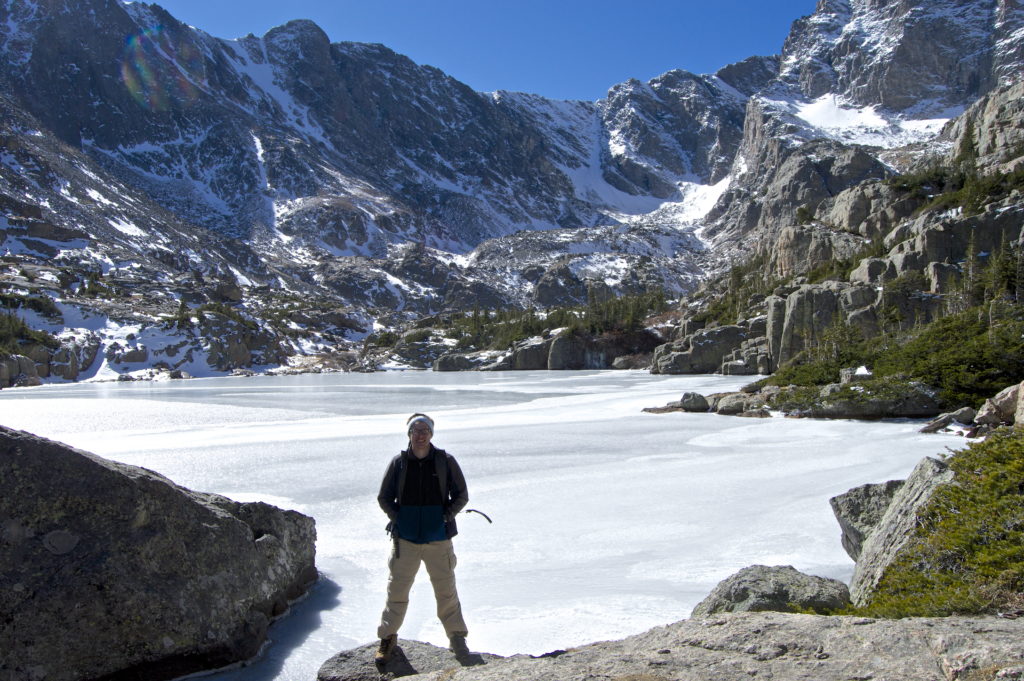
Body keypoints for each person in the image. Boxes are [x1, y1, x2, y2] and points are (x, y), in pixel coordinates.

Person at [375, 413, 470, 663]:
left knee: (446, 590)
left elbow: (462, 495)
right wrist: (399, 518)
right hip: (405, 540)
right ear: (409, 434)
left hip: (438, 539)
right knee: (397, 590)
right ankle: (387, 638)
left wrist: (445, 516)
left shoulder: (445, 461)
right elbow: (383, 497)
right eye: (416, 430)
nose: (420, 435)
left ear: (431, 434)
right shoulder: (399, 463)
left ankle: (457, 638)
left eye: (425, 430)